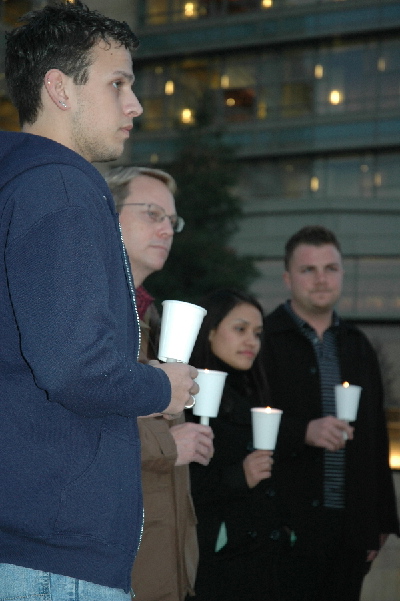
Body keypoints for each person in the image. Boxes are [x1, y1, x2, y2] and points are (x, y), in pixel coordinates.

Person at [0, 3, 199, 599]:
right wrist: (162, 386)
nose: (134, 105)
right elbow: (75, 368)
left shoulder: (22, 183)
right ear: (59, 89)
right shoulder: (62, 184)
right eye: (118, 84)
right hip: (54, 552)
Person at [263, 225, 400, 601]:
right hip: (283, 529)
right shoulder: (263, 342)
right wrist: (302, 431)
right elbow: (240, 422)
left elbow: (375, 436)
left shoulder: (359, 346)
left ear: (342, 274)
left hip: (349, 532)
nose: (321, 279)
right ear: (288, 278)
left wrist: (381, 521)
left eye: (330, 268)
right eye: (308, 270)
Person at [105, 165, 214, 601]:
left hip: (161, 565)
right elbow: (65, 425)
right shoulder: (91, 315)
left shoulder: (149, 317)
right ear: (107, 215)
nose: (167, 230)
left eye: (172, 220)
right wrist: (170, 445)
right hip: (113, 566)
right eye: (152, 214)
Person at [187, 289, 285, 601]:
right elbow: (179, 484)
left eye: (257, 333)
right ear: (210, 331)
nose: (251, 341)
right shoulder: (186, 397)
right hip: (215, 564)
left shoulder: (255, 390)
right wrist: (238, 476)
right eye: (240, 329)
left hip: (261, 562)